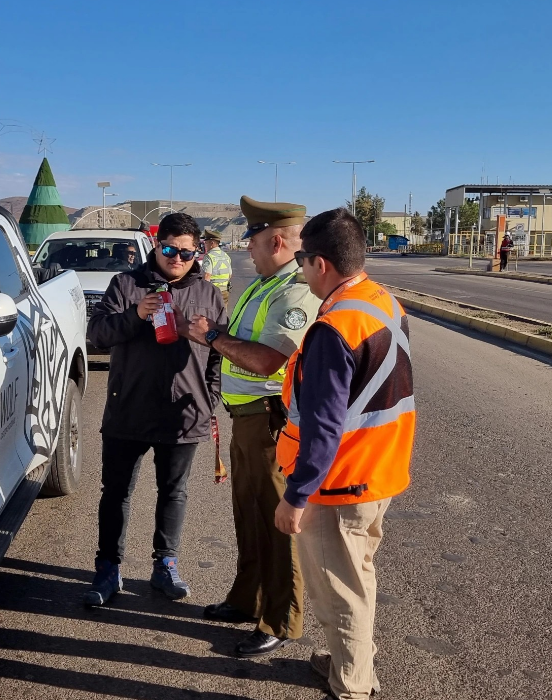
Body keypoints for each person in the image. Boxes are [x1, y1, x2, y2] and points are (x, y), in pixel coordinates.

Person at [273, 207, 416, 700]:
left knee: (340, 590)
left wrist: (296, 496)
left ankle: (352, 685)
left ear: (321, 264)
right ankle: (348, 659)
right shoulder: (381, 300)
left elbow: (324, 427)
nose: (301, 271)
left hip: (339, 483)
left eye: (301, 262)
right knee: (358, 577)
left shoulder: (334, 327)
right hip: (379, 469)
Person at [179, 195, 317, 658]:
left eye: (252, 243)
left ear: (275, 241)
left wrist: (211, 336)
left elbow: (267, 360)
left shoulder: (295, 290)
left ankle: (280, 618)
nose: (247, 251)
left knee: (277, 522)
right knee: (249, 515)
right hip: (246, 420)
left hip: (269, 421)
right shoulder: (264, 284)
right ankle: (247, 599)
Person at [84, 212, 228, 607]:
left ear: (197, 253)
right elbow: (97, 334)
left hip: (183, 415)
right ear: (156, 245)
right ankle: (108, 568)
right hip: (128, 410)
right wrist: (136, 314)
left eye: (186, 252)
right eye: (169, 249)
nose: (177, 258)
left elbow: (219, 354)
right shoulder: (126, 285)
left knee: (174, 492)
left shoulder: (208, 294)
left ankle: (165, 564)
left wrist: (209, 398)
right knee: (116, 492)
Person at [200, 230, 232, 304]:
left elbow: (207, 275)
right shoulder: (226, 255)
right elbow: (230, 275)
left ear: (212, 243)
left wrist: (204, 292)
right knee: (224, 310)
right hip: (224, 291)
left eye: (206, 243)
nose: (205, 245)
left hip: (213, 292)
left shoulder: (209, 256)